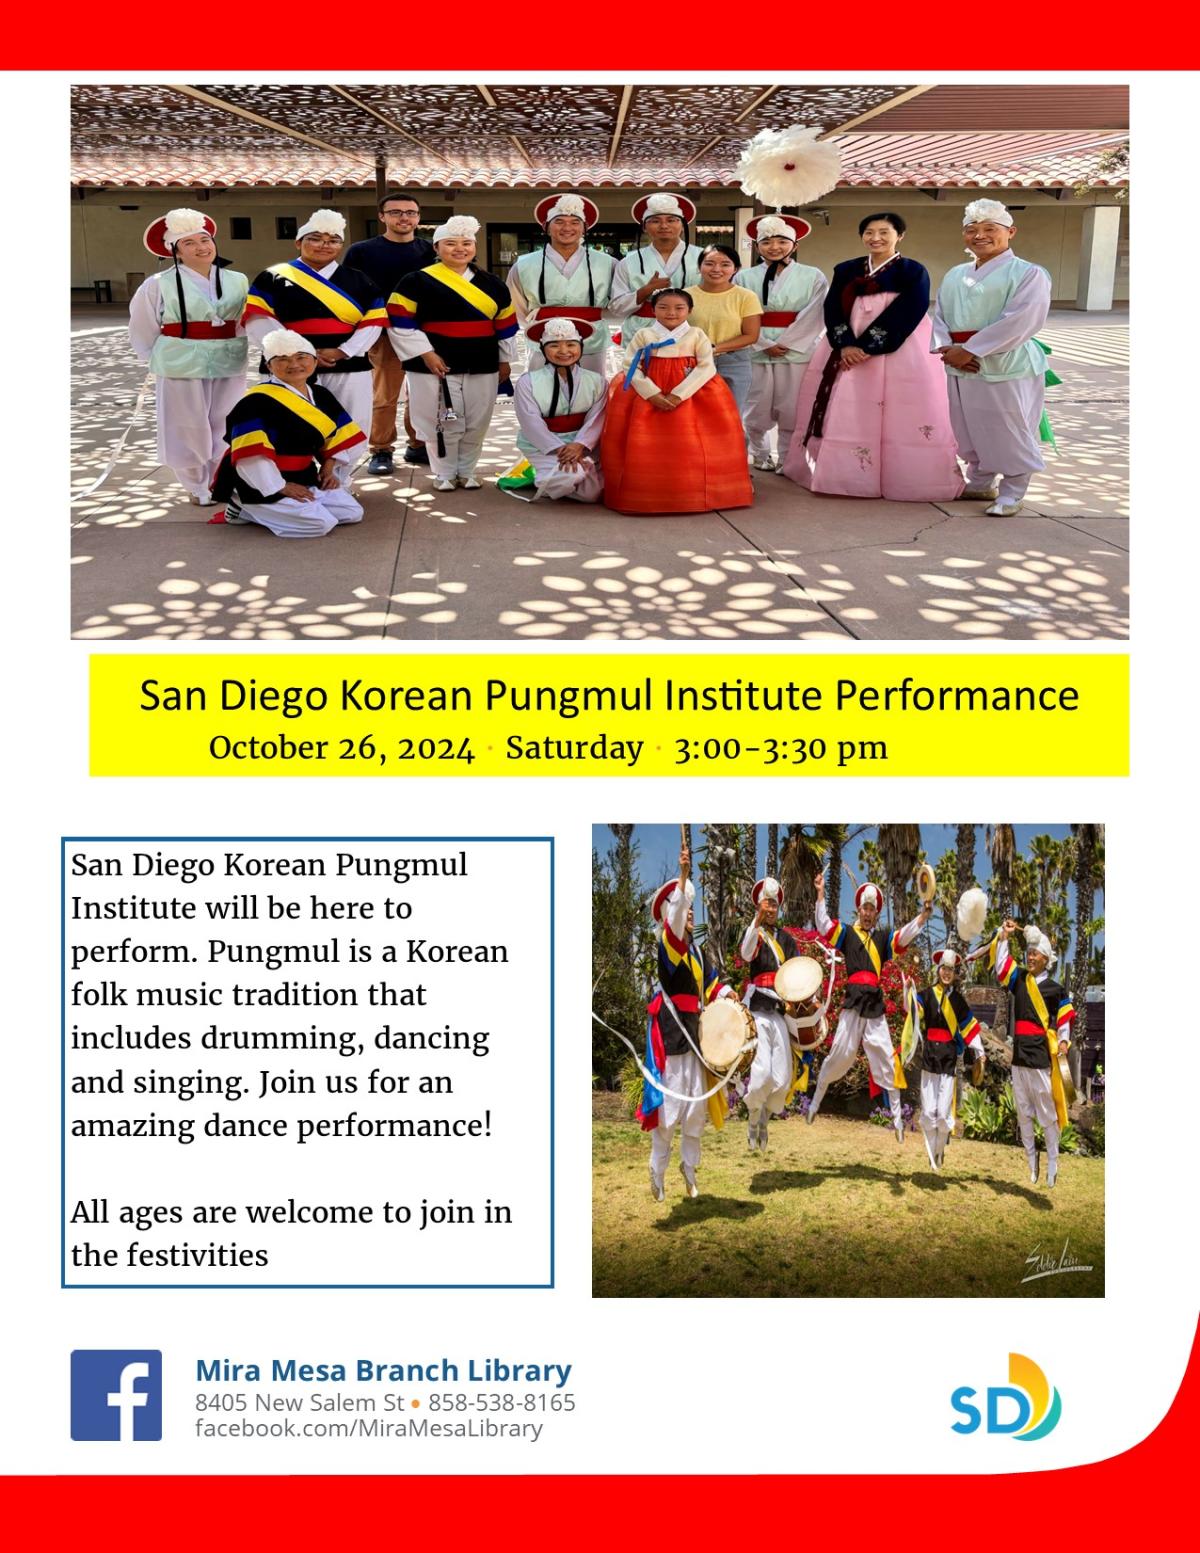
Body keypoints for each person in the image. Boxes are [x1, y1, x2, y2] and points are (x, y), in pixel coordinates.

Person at [782, 212, 963, 501]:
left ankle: (898, 476)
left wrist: (868, 346)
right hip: (846, 344)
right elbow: (833, 308)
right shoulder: (846, 269)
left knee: (898, 407)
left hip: (898, 346)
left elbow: (909, 311)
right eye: (869, 232)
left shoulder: (913, 271)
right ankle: (840, 474)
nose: (875, 238)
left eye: (884, 232)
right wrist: (846, 345)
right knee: (846, 403)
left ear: (899, 236)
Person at [242, 209, 386, 484]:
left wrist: (343, 350)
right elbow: (259, 319)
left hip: (347, 362)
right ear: (298, 242)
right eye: (316, 238)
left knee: (350, 420)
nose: (324, 245)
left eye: (333, 240)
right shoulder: (272, 277)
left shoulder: (359, 280)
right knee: (286, 421)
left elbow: (374, 321)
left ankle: (340, 480)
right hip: (288, 364)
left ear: (340, 246)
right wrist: (301, 355)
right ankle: (294, 479)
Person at [932, 199, 1053, 516]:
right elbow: (941, 316)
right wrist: (947, 349)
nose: (980, 235)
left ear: (1010, 232)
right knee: (968, 425)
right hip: (959, 364)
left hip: (1006, 363)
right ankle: (980, 481)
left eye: (990, 229)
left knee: (1008, 426)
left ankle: (1013, 491)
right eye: (972, 230)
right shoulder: (956, 274)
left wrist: (970, 350)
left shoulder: (1029, 273)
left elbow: (1022, 319)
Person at [385, 215, 517, 491]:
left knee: (477, 420)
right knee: (442, 420)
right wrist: (426, 354)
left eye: (467, 243)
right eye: (451, 243)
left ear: (475, 247)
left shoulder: (493, 283)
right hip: (434, 362)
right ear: (436, 247)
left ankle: (467, 471)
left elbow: (504, 326)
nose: (460, 249)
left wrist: (505, 359)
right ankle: (444, 472)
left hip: (482, 360)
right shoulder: (415, 281)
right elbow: (400, 322)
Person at [128, 208, 249, 505]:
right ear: (175, 251)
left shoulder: (238, 279)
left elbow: (246, 319)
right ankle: (196, 484)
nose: (201, 247)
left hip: (228, 356)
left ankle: (220, 479)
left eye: (205, 239)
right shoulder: (158, 283)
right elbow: (142, 325)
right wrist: (155, 359)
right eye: (189, 243)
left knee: (225, 420)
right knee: (187, 423)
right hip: (180, 359)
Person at [600, 287, 753, 515]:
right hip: (648, 393)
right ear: (653, 310)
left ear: (690, 310)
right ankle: (650, 494)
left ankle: (693, 493)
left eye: (679, 308)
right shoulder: (644, 335)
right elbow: (630, 365)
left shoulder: (697, 335)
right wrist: (651, 393)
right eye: (663, 307)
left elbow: (706, 367)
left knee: (691, 444)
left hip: (692, 391)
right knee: (648, 445)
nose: (671, 313)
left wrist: (678, 394)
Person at [640, 843, 734, 1202]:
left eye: (692, 907)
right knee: (671, 1108)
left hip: (695, 1034)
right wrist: (681, 877)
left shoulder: (696, 951)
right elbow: (676, 922)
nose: (690, 913)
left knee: (695, 1107)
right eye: (684, 907)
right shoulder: (670, 944)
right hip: (673, 1032)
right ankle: (657, 1170)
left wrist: (728, 995)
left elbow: (711, 983)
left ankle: (689, 1170)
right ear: (670, 914)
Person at [807, 873, 931, 1140]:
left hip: (874, 1002)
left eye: (872, 909)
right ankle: (815, 1102)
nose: (868, 913)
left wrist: (922, 917)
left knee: (886, 1056)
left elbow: (903, 937)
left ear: (876, 913)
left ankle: (897, 1121)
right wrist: (820, 893)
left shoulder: (884, 939)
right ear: (859, 909)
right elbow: (824, 924)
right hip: (853, 1000)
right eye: (865, 908)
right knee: (841, 1052)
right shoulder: (847, 933)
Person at [210, 329, 365, 539]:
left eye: (301, 357)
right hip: (259, 482)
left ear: (314, 360)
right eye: (282, 359)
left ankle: (288, 508)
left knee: (352, 513)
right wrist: (280, 487)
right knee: (321, 524)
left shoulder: (320, 394)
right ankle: (241, 504)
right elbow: (252, 455)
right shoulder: (253, 402)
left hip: (304, 475)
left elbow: (335, 436)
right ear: (269, 366)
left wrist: (328, 468)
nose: (294, 365)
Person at [344, 190, 434, 474]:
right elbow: (351, 291)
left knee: (423, 392)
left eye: (410, 212)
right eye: (395, 212)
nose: (403, 217)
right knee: (385, 394)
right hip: (383, 332)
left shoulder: (431, 250)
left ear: (418, 218)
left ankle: (418, 444)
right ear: (382, 216)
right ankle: (381, 449)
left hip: (424, 331)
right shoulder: (362, 251)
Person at [735, 214, 827, 472]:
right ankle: (761, 454)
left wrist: (786, 342)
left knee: (792, 407)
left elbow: (816, 311)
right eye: (766, 242)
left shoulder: (813, 275)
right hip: (756, 346)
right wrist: (762, 343)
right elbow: (737, 312)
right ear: (756, 246)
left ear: (795, 245)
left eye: (781, 241)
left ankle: (788, 458)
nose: (774, 247)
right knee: (756, 405)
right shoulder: (743, 277)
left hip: (796, 349)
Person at [994, 919, 1075, 1187]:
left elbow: (1064, 1018)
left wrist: (1064, 1042)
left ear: (1045, 958)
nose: (1029, 956)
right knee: (1023, 1112)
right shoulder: (1019, 978)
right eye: (1028, 952)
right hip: (1019, 1056)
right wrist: (1004, 938)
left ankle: (1053, 1160)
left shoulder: (1055, 988)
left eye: (1034, 953)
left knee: (1046, 1113)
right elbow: (1002, 968)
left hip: (1040, 1057)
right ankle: (1031, 1161)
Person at [507, 194, 616, 373]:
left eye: (575, 222)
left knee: (592, 390)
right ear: (547, 228)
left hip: (592, 337)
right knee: (542, 390)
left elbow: (619, 301)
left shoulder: (608, 263)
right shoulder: (524, 265)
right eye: (559, 221)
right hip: (544, 335)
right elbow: (516, 306)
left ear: (584, 229)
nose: (567, 227)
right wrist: (539, 324)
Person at [736, 878, 799, 1152]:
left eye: (774, 903)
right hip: (758, 1008)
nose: (771, 908)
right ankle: (752, 1119)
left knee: (782, 1079)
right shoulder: (755, 933)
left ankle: (764, 1115)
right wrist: (756, 922)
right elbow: (746, 953)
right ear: (758, 905)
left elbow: (796, 972)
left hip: (779, 1012)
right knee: (761, 1076)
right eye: (767, 903)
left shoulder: (786, 939)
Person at [511, 317, 605, 502]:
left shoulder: (597, 381)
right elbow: (530, 422)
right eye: (554, 345)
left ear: (580, 347)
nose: (564, 351)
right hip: (544, 445)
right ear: (543, 349)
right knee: (571, 476)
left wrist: (579, 445)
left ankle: (556, 475)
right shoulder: (527, 382)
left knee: (592, 493)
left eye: (571, 344)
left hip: (582, 444)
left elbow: (597, 418)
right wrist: (559, 448)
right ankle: (549, 473)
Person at [915, 949, 984, 1171]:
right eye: (944, 969)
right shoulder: (925, 995)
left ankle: (937, 1151)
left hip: (948, 1059)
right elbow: (914, 1013)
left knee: (943, 1110)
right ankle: (934, 1153)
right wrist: (910, 999)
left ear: (954, 973)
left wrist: (980, 1052)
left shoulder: (958, 1000)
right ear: (938, 970)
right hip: (929, 1058)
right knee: (928, 1110)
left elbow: (970, 1028)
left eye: (951, 970)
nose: (947, 973)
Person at [609, 193, 705, 343]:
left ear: (682, 225)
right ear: (644, 227)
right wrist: (645, 290)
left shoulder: (704, 257)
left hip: (690, 330)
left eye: (671, 220)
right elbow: (616, 308)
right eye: (655, 221)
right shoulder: (629, 262)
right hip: (642, 333)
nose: (664, 226)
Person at [685, 244, 762, 418]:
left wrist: (714, 348)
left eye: (725, 264)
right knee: (694, 416)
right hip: (691, 361)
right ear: (699, 267)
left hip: (734, 361)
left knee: (730, 417)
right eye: (709, 263)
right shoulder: (685, 296)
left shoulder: (746, 296)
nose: (717, 269)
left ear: (736, 269)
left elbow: (751, 335)